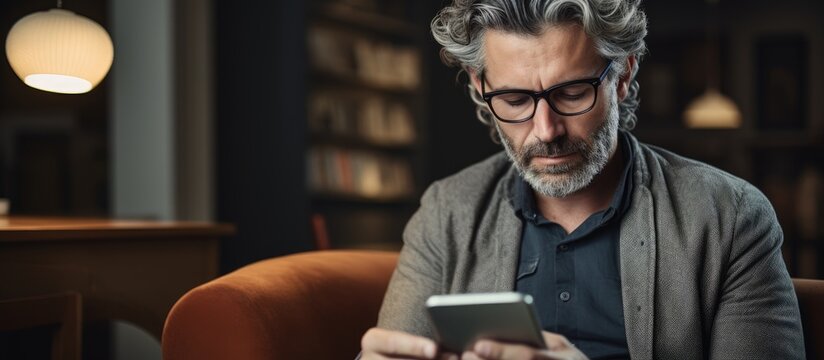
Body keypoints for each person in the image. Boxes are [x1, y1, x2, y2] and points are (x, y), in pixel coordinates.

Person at [360, 0, 805, 359]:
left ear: (623, 73)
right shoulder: (446, 212)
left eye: (572, 93)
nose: (546, 130)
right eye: (514, 100)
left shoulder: (731, 218)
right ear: (480, 87)